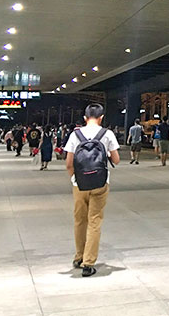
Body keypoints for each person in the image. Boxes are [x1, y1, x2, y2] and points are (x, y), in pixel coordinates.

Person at [64, 103, 120, 277]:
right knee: (94, 221)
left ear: (85, 117)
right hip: (100, 184)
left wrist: (75, 178)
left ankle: (78, 257)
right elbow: (116, 160)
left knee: (80, 220)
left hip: (79, 184)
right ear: (102, 117)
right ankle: (88, 263)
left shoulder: (75, 134)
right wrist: (108, 154)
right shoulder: (107, 134)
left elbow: (68, 163)